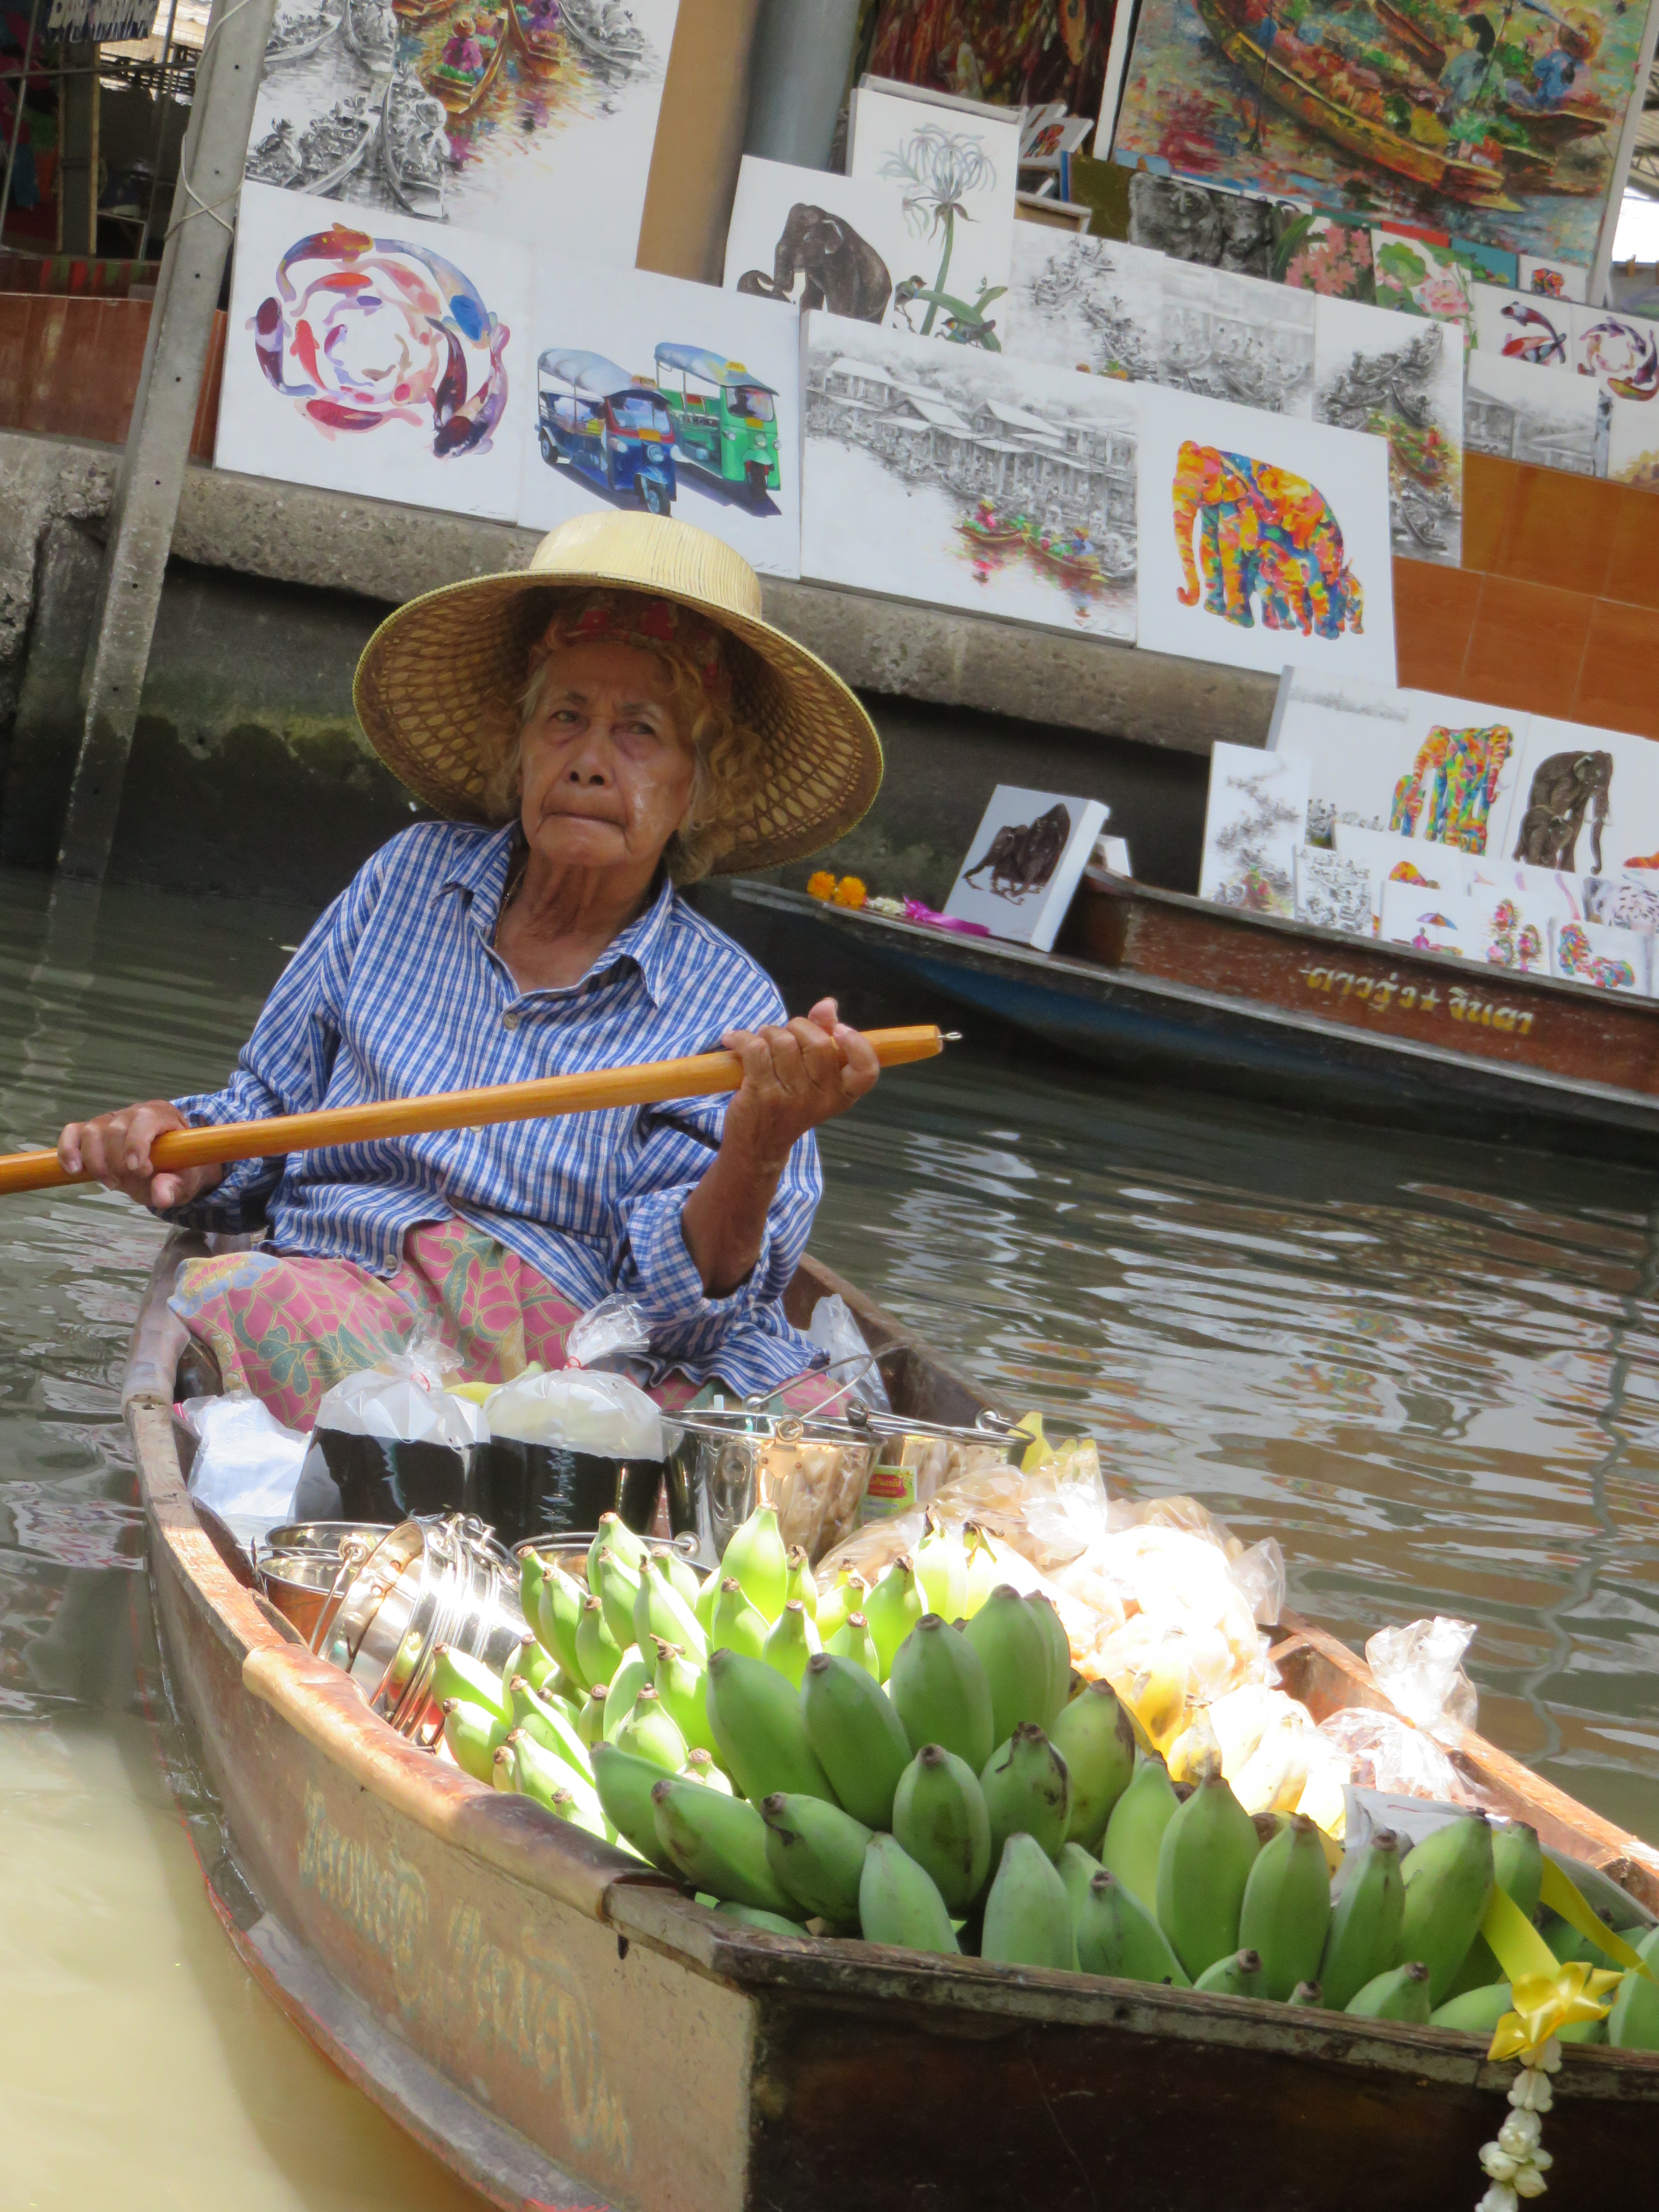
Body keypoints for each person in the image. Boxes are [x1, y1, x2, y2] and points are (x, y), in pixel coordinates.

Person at [59, 514, 886, 1427]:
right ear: (520, 745)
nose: (589, 763)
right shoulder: (408, 878)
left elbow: (684, 1317)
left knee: (805, 1421)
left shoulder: (726, 1002)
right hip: (349, 1297)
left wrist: (758, 1146)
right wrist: (177, 1147)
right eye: (565, 717)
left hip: (577, 1361)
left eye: (640, 732)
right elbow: (266, 1119)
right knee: (251, 1303)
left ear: (701, 783)